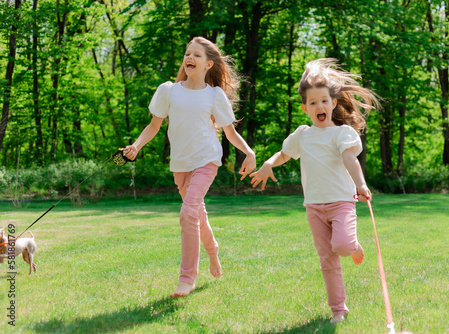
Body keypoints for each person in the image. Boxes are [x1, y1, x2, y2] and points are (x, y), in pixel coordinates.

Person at [124, 37, 256, 298]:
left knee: (187, 214)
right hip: (180, 164)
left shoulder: (214, 95)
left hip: (206, 160)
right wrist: (136, 146)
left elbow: (229, 132)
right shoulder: (168, 91)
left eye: (196, 54)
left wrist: (248, 152)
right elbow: (154, 126)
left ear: (208, 64)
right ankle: (213, 250)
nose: (189, 58)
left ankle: (187, 279)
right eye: (187, 53)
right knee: (197, 215)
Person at [250, 59, 379, 324]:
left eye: (323, 101)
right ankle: (338, 309)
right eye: (312, 103)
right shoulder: (303, 135)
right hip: (314, 207)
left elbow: (350, 160)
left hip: (342, 202)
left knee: (342, 245)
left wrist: (361, 184)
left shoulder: (342, 134)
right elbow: (285, 154)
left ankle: (352, 244)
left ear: (333, 103)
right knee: (327, 261)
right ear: (305, 108)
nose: (319, 106)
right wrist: (268, 163)